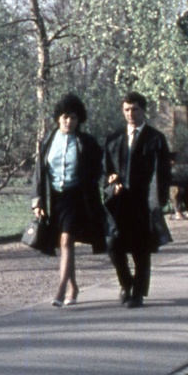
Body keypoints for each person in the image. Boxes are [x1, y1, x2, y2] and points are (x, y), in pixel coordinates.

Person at [31, 93, 106, 307]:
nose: (69, 121)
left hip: (76, 198)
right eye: (65, 117)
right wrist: (37, 200)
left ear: (79, 119)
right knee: (66, 244)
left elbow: (98, 168)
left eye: (73, 117)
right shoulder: (47, 140)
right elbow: (39, 172)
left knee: (66, 241)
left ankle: (61, 288)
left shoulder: (86, 142)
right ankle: (74, 286)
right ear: (58, 118)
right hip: (54, 198)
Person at [103, 92, 171, 308]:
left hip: (143, 202)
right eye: (126, 110)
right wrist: (111, 182)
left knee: (141, 249)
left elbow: (163, 173)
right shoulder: (114, 139)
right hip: (119, 201)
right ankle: (126, 283)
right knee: (113, 244)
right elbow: (105, 169)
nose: (130, 114)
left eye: (135, 109)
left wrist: (159, 200)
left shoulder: (155, 139)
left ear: (143, 110)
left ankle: (138, 292)